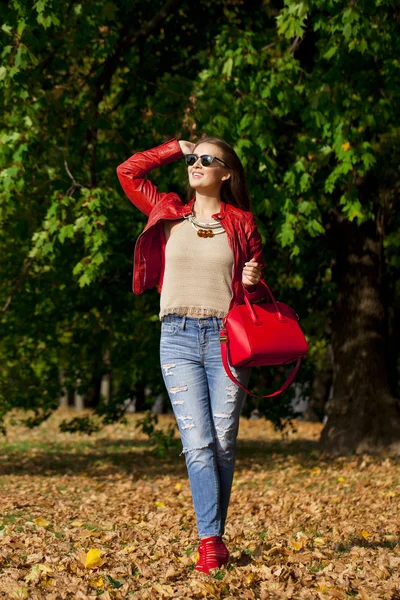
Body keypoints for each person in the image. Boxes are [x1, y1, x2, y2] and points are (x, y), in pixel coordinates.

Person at [116, 136, 266, 574]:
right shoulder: (165, 209)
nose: (196, 164)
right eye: (193, 158)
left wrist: (253, 279)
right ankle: (210, 542)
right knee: (197, 443)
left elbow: (249, 287)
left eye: (206, 159)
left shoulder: (242, 223)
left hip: (224, 339)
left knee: (222, 443)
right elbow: (128, 171)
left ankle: (212, 537)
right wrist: (174, 147)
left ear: (226, 174)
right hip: (177, 338)